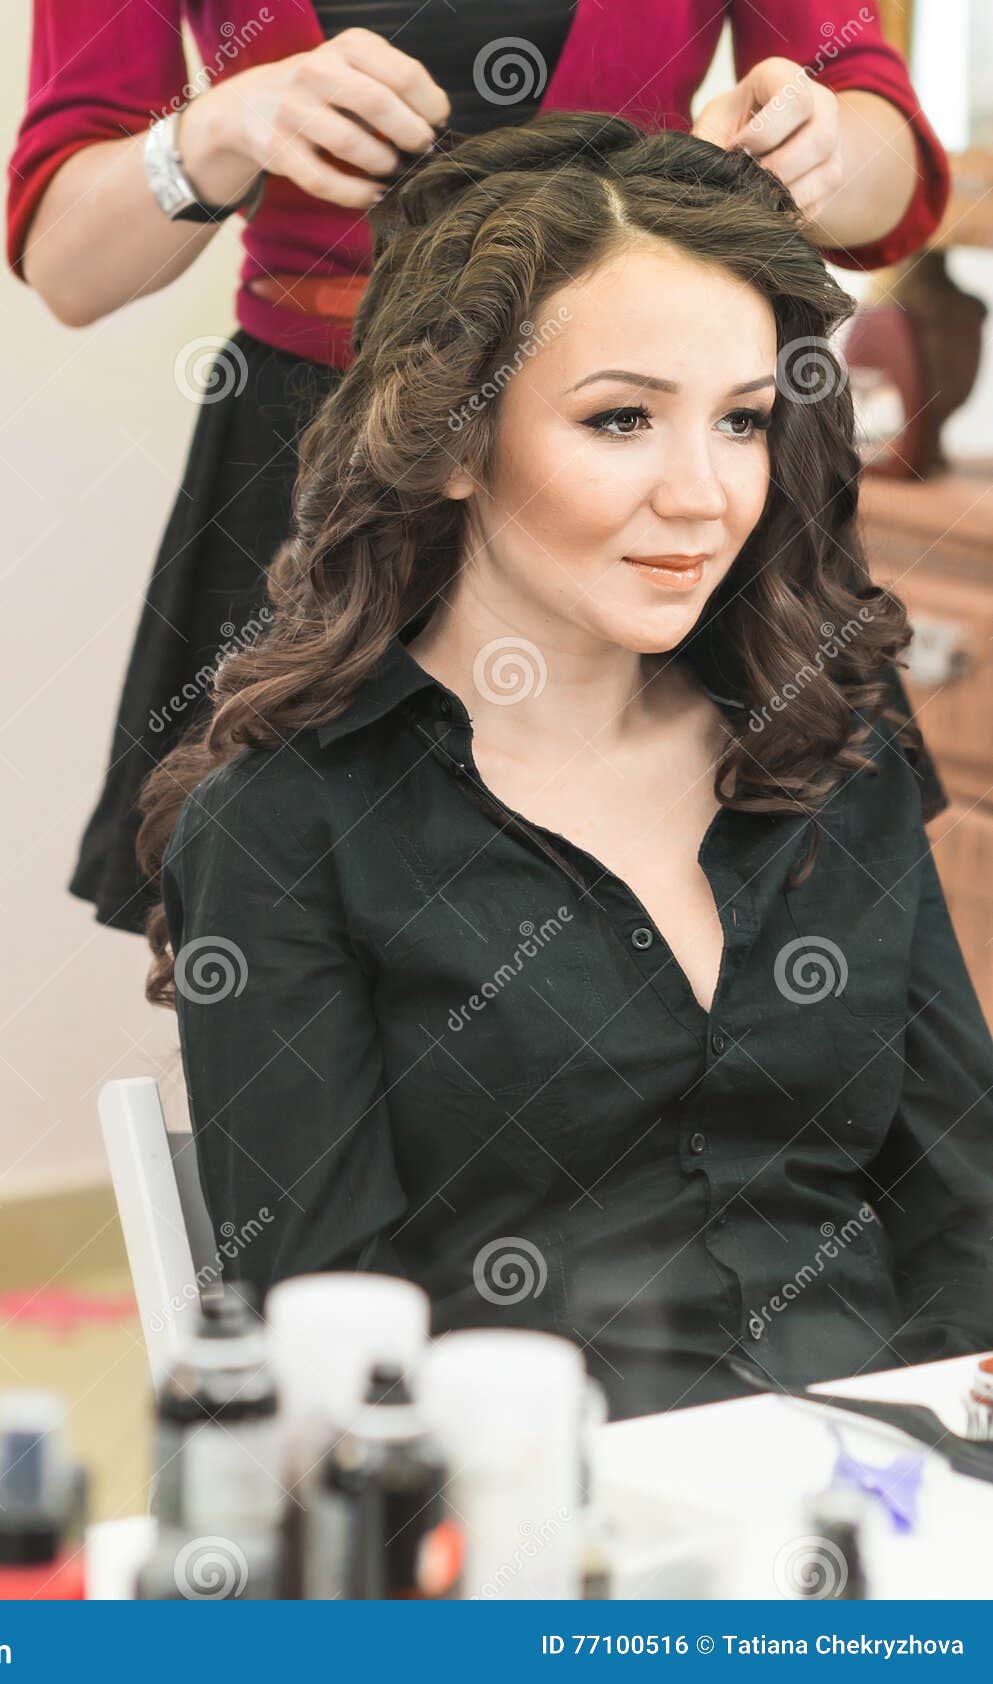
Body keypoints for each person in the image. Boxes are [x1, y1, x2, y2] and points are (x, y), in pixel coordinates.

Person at [137, 111, 993, 1422]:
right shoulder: (283, 831)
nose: (703, 494)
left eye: (742, 421)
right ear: (460, 439)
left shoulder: (839, 750)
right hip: (537, 1540)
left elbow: (966, 1213)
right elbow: (335, 1337)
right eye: (619, 420)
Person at [6, 0, 951, 936]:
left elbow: (889, 184)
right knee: (292, 926)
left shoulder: (687, 487)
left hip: (638, 441)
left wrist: (821, 140)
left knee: (787, 920)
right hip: (317, 457)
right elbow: (70, 264)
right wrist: (219, 128)